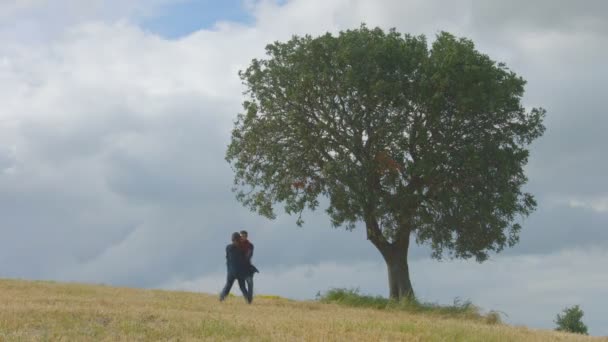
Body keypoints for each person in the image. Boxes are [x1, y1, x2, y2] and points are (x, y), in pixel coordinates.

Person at [219, 232, 250, 303]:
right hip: (240, 271)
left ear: (232, 239)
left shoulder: (228, 247)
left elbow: (227, 258)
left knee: (228, 286)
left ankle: (221, 299)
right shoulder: (241, 249)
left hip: (231, 271)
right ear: (239, 239)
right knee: (242, 287)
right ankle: (248, 301)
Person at [239, 230, 258, 303]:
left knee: (250, 284)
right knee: (242, 286)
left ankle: (249, 300)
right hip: (238, 268)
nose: (241, 238)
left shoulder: (250, 245)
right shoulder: (236, 245)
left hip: (247, 268)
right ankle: (247, 299)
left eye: (243, 236)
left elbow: (248, 256)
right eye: (240, 236)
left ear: (246, 237)